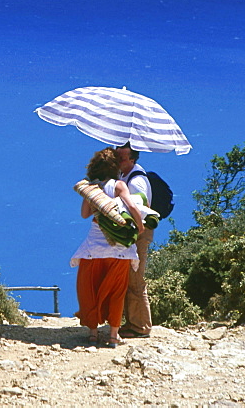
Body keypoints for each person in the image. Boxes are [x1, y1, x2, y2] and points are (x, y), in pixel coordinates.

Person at [71, 148, 145, 348]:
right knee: (116, 291)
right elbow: (133, 207)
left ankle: (93, 334)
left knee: (90, 290)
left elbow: (85, 214)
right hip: (118, 250)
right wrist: (140, 227)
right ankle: (113, 335)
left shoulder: (91, 188)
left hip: (93, 248)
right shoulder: (120, 185)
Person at [114, 143, 153, 338]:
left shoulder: (136, 181)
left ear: (132, 159)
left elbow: (141, 207)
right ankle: (132, 323)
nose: (118, 161)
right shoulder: (125, 175)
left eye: (122, 158)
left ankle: (141, 326)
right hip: (136, 230)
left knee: (136, 278)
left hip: (139, 232)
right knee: (129, 276)